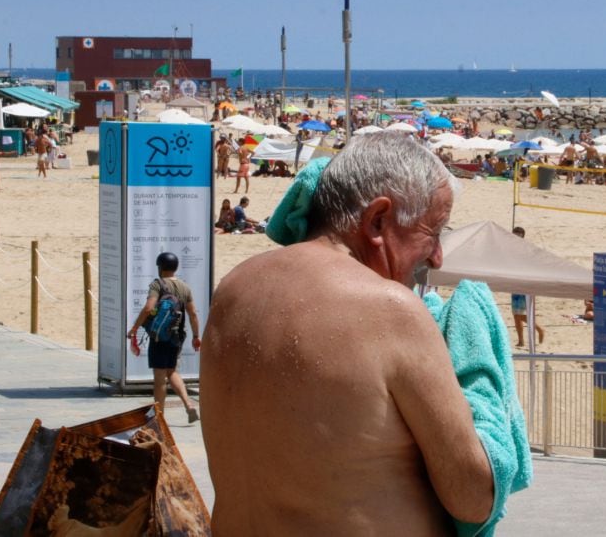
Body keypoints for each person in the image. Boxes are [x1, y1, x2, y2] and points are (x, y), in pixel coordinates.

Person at [201, 133, 494, 533]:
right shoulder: (390, 312)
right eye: (434, 230)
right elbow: (473, 497)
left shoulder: (234, 289)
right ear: (377, 220)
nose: (438, 256)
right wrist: (486, 391)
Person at [126, 252, 201, 423]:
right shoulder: (184, 287)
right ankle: (189, 405)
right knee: (172, 370)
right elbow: (193, 314)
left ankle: (158, 417)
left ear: (160, 267)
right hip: (177, 336)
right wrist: (196, 336)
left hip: (159, 337)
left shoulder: (157, 285)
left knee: (159, 377)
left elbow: (148, 308)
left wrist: (135, 328)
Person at [510, 226, 544, 348]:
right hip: (515, 283)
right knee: (515, 314)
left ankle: (539, 329)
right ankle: (521, 340)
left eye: (517, 235)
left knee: (521, 314)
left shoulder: (525, 249)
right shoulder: (512, 249)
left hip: (524, 283)